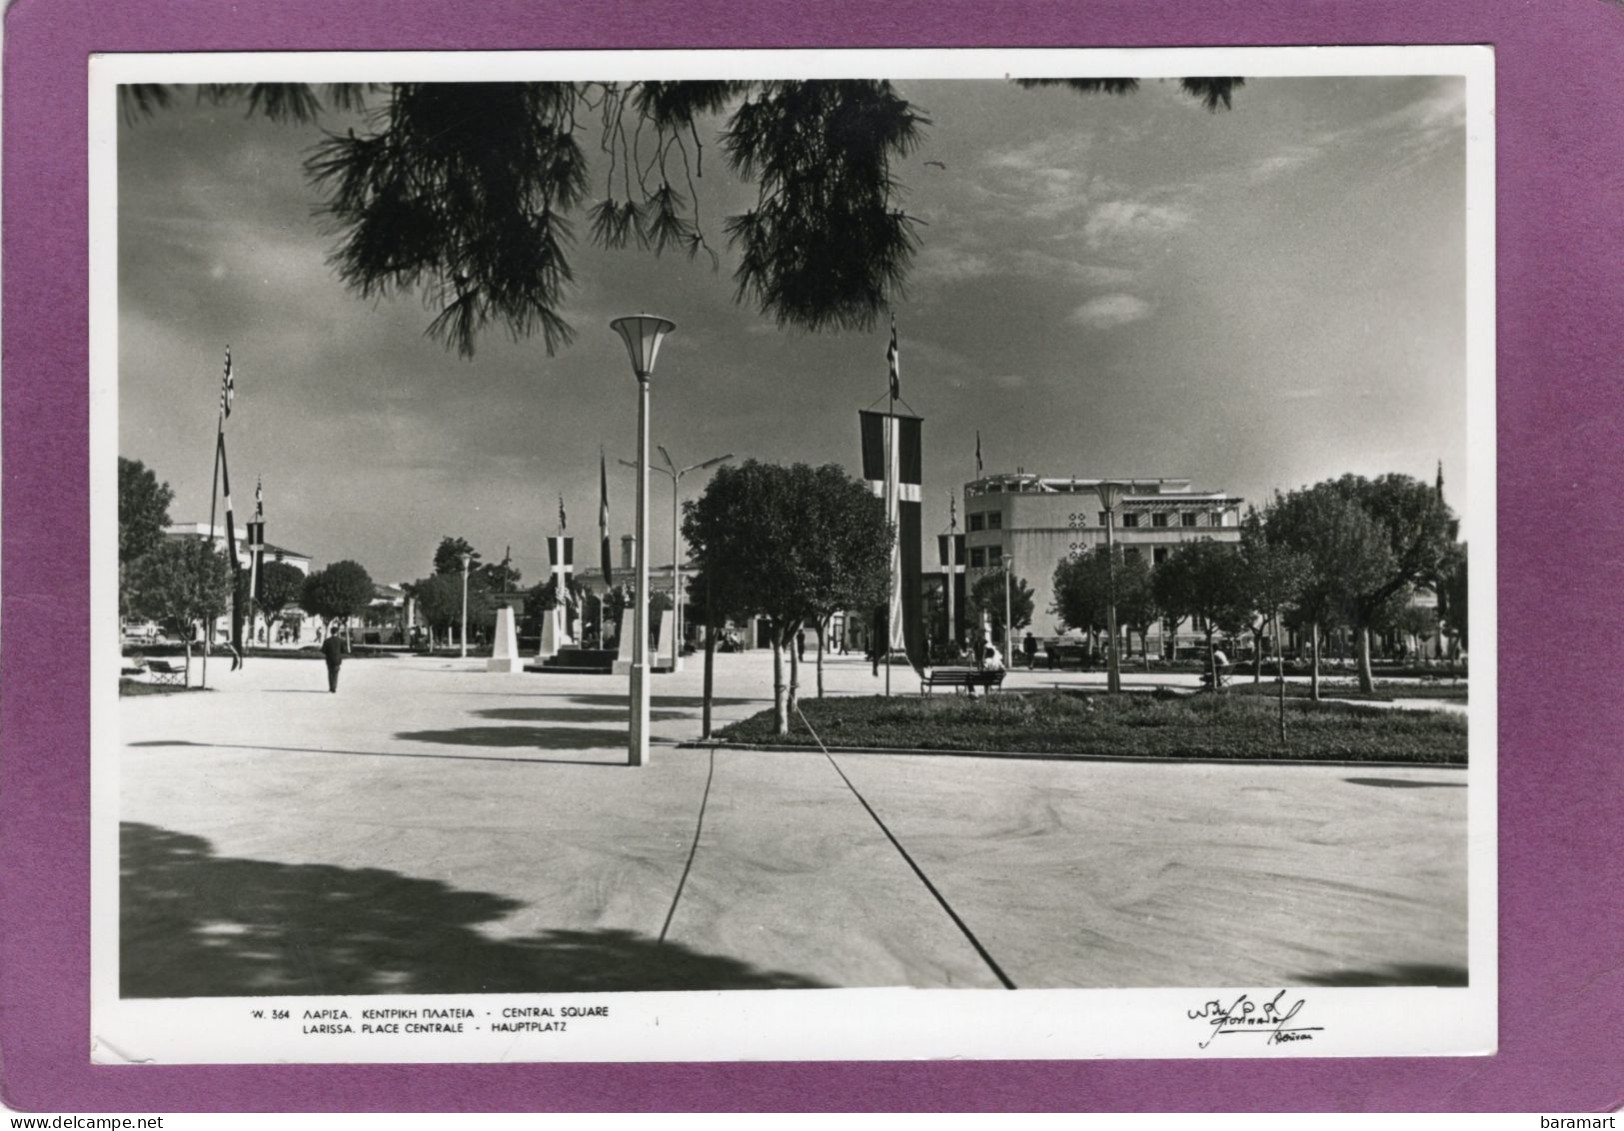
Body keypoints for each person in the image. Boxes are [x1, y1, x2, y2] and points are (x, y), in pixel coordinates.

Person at [322, 629, 348, 693]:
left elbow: (323, 651)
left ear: (331, 632)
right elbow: (343, 651)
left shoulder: (327, 641)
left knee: (330, 673)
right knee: (336, 674)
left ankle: (331, 687)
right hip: (337, 659)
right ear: (337, 632)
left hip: (329, 659)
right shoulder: (340, 641)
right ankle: (334, 687)